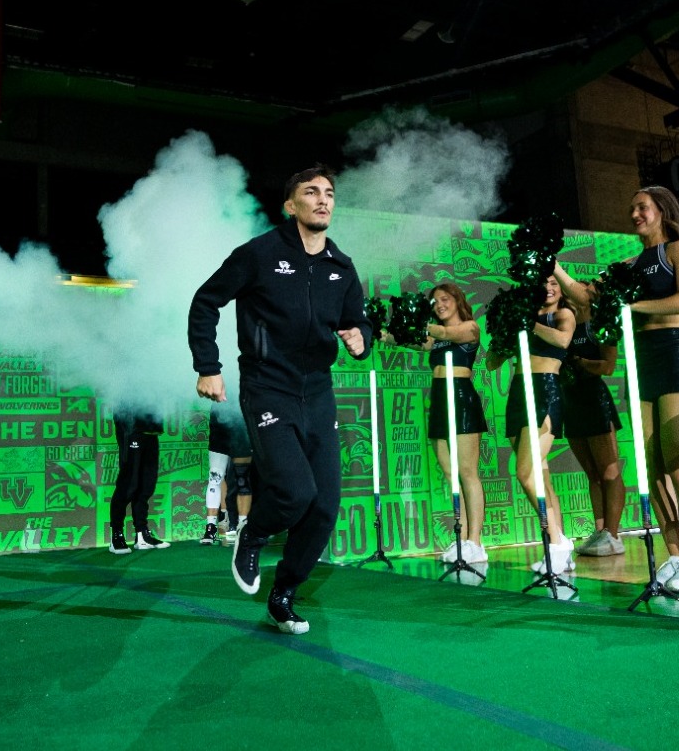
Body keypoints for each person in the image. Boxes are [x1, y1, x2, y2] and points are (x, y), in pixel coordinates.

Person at [188, 164, 372, 635]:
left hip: (318, 394)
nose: (323, 200)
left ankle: (284, 593)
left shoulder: (341, 267)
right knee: (295, 491)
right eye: (311, 192)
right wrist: (208, 365)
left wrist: (360, 338)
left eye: (329, 193)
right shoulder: (259, 254)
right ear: (291, 205)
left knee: (325, 505)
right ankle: (251, 533)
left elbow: (359, 322)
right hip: (268, 387)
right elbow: (206, 301)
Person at [559, 187, 679, 593]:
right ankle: (674, 556)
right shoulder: (625, 264)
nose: (634, 214)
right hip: (641, 362)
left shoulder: (678, 249)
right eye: (630, 208)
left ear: (661, 210)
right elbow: (588, 298)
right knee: (653, 467)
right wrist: (553, 267)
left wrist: (630, 308)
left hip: (677, 355)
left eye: (641, 207)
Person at [386, 282, 488, 563]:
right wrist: (379, 333)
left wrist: (417, 317)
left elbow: (443, 332)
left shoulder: (469, 328)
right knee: (450, 472)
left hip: (461, 398)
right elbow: (406, 339)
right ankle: (462, 537)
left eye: (444, 299)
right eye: (434, 302)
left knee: (467, 472)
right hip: (440, 401)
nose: (440, 305)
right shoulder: (437, 339)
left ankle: (476, 542)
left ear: (457, 301)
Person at [485, 274, 575, 573]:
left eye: (554, 283)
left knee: (525, 472)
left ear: (561, 289)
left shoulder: (563, 314)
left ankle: (557, 542)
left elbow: (563, 339)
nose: (549, 289)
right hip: (518, 393)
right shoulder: (523, 318)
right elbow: (491, 362)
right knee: (542, 476)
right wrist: (505, 333)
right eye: (543, 284)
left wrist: (527, 324)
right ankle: (560, 546)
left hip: (545, 390)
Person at [561, 283, 629, 558]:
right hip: (571, 401)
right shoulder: (562, 322)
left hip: (595, 400)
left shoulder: (601, 323)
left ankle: (613, 534)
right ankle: (600, 531)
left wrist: (581, 363)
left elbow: (608, 366)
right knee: (592, 473)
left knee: (609, 470)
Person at [108, 410, 169, 552]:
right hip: (131, 428)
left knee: (147, 485)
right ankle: (116, 535)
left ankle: (142, 535)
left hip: (151, 430)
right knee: (129, 484)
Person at [201, 404, 252, 545]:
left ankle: (243, 527)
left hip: (241, 427)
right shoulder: (216, 383)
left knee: (243, 479)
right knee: (215, 477)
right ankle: (210, 528)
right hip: (220, 428)